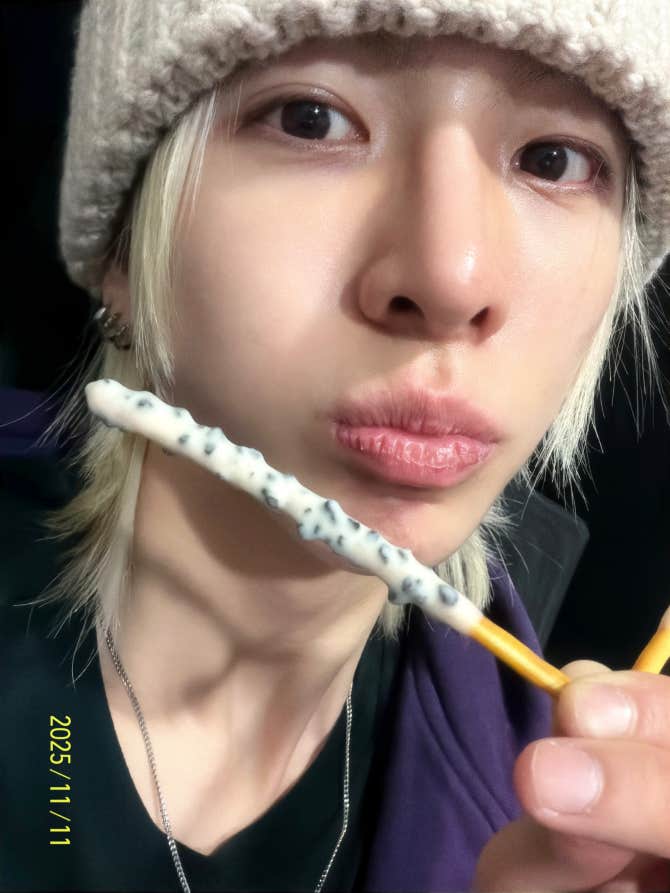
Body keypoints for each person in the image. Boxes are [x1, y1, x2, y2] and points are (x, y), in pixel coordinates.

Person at [1, 2, 669, 891]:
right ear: (124, 245)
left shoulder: (549, 812)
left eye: (554, 160)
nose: (451, 277)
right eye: (310, 119)